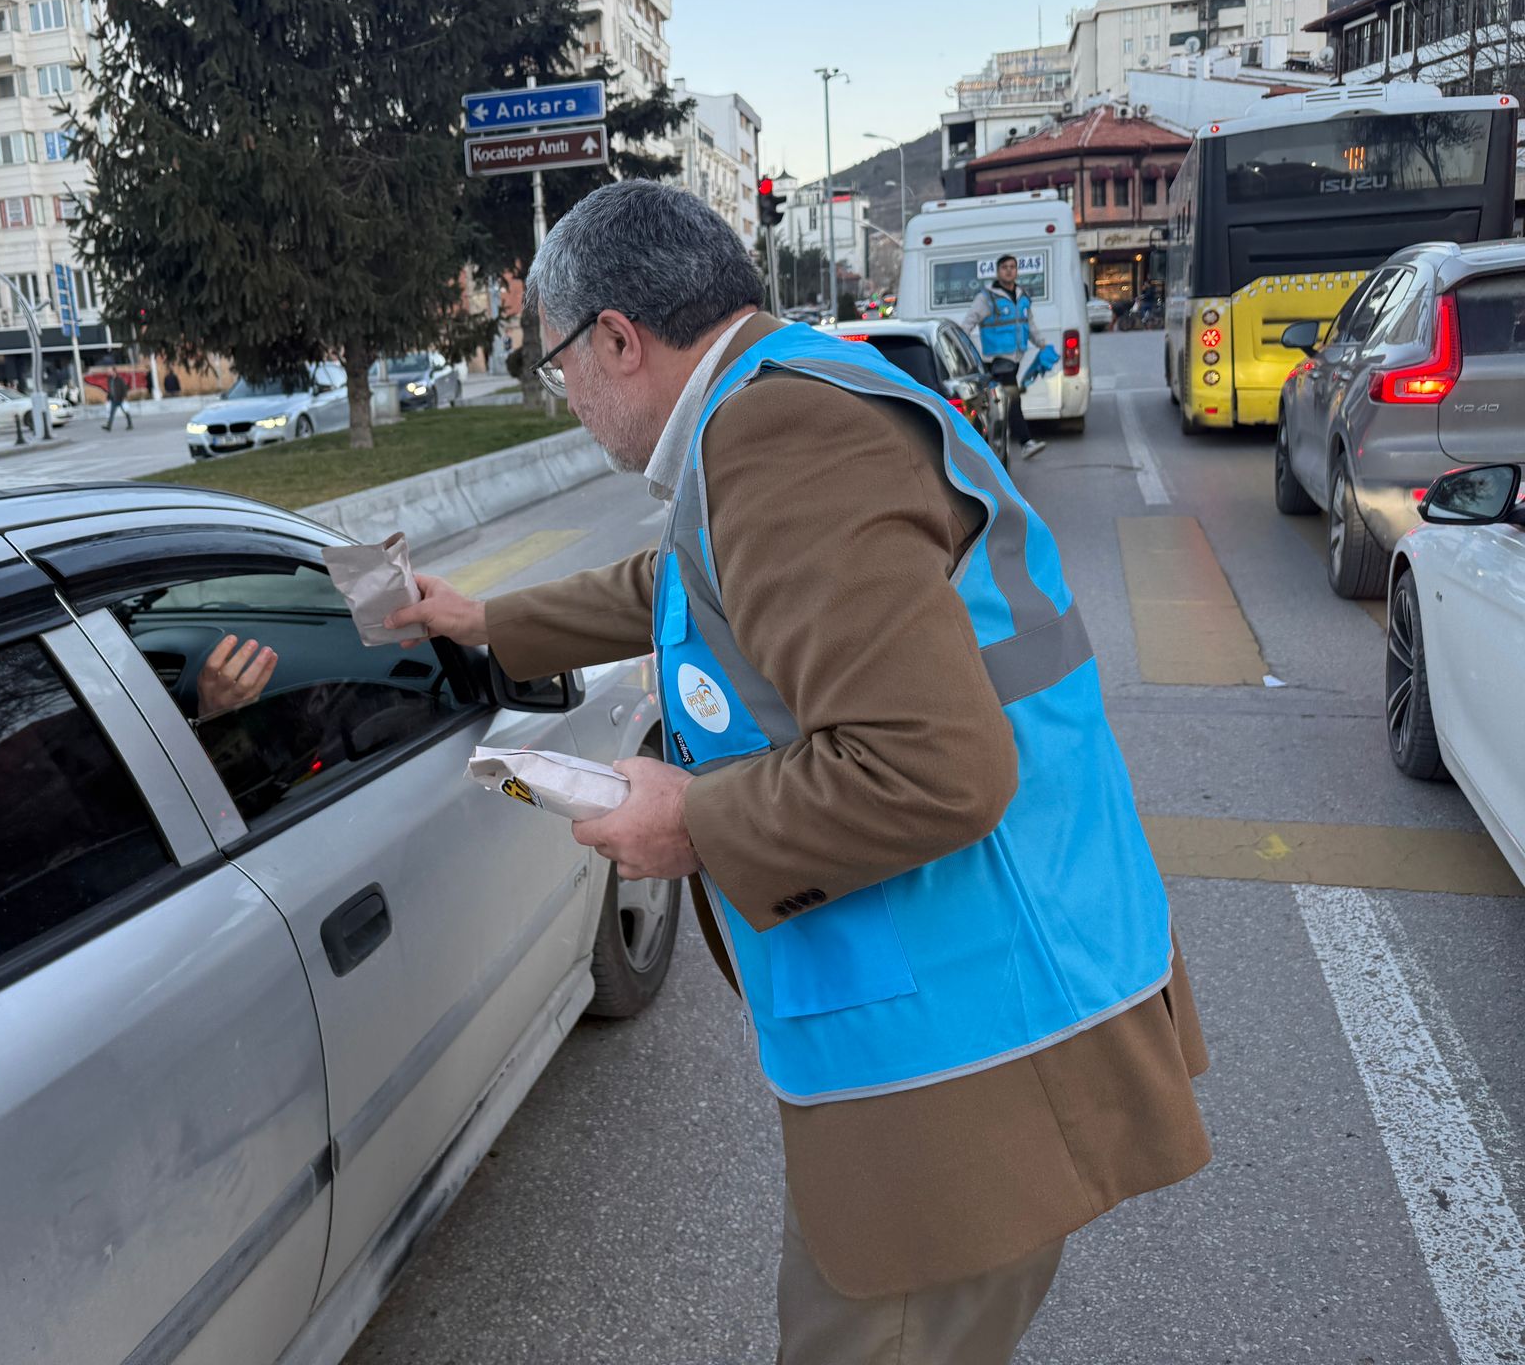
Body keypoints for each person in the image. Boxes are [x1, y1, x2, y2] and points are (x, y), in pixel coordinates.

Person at [386, 181, 1209, 1365]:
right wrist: (484, 621)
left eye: (556, 362)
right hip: (989, 1001)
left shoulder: (773, 436)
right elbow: (686, 583)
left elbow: (934, 769)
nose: (561, 397)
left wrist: (693, 824)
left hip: (965, 1052)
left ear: (617, 338)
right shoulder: (776, 400)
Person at [963, 254, 1047, 459]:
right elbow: (967, 324)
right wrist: (970, 353)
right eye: (1004, 267)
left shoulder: (1022, 295)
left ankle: (987, 443)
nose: (1009, 270)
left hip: (1015, 359)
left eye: (1012, 267)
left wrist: (1043, 344)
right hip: (998, 361)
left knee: (998, 402)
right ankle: (1025, 442)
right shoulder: (987, 297)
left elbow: (1030, 325)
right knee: (1012, 398)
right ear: (998, 272)